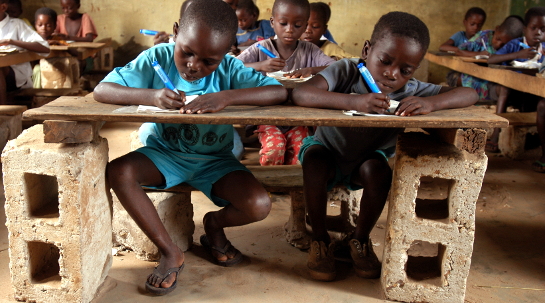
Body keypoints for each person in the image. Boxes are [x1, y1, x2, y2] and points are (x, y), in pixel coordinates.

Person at [93, 0, 287, 296]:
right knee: (120, 171)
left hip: (215, 160)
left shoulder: (231, 70)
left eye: (210, 61)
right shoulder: (156, 58)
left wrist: (225, 98)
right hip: (164, 154)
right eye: (187, 52)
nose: (194, 65)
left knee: (259, 205)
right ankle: (170, 251)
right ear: (175, 33)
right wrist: (151, 96)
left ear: (226, 53)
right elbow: (102, 90)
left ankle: (213, 224)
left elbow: (278, 91)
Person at [291, 11, 479, 281]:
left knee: (379, 172)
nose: (392, 74)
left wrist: (431, 104)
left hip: (365, 163)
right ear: (368, 49)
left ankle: (359, 239)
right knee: (314, 160)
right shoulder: (346, 70)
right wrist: (355, 102)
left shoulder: (410, 90)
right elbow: (302, 93)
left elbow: (469, 93)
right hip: (328, 152)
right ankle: (320, 240)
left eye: (405, 70)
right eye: (385, 61)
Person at [237, 0, 334, 166]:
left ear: (305, 26)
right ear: (273, 23)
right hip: (266, 117)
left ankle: (291, 190)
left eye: (297, 25)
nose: (290, 29)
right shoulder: (260, 48)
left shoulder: (309, 50)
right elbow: (232, 67)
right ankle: (269, 188)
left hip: (299, 119)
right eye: (283, 23)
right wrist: (260, 65)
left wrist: (312, 70)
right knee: (275, 148)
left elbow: (337, 67)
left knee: (301, 154)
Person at [486, 7, 545, 153]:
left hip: (531, 92)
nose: (538, 32)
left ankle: (534, 138)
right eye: (534, 28)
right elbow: (491, 59)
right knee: (505, 88)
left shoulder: (543, 48)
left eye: (543, 29)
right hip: (511, 91)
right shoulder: (515, 44)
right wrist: (518, 54)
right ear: (525, 29)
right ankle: (496, 134)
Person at [453, 16, 524, 98]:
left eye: (504, 44)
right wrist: (478, 54)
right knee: (476, 85)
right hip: (476, 75)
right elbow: (459, 51)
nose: (498, 45)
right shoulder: (484, 36)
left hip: (496, 78)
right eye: (498, 39)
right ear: (496, 29)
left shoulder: (516, 45)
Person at [0, 0, 49, 105]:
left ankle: (2, 113)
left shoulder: (17, 25)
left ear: (3, 7)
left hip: (15, 76)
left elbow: (44, 47)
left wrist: (11, 41)